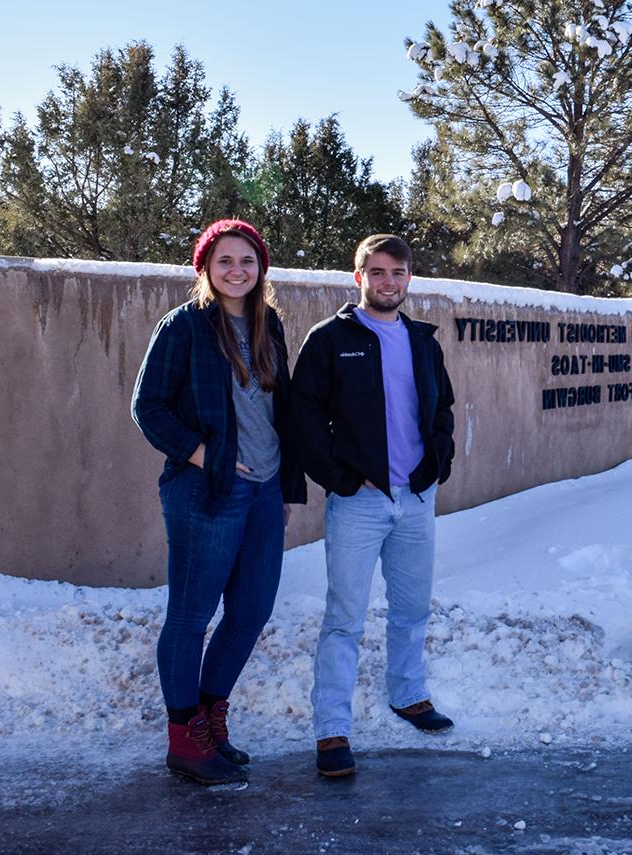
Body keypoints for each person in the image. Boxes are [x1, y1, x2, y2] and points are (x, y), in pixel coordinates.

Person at [131, 219, 305, 784]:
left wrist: (281, 487)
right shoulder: (183, 327)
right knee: (190, 614)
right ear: (205, 267)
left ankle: (210, 718)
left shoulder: (267, 324)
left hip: (264, 491)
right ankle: (184, 739)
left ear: (261, 270)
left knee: (251, 611)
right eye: (225, 260)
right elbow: (147, 406)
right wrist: (205, 457)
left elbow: (278, 413)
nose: (237, 271)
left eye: (247, 261)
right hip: (206, 491)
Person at [291, 233, 456, 778]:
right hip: (358, 503)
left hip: (416, 499)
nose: (388, 282)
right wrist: (339, 479)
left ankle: (407, 694)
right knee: (345, 619)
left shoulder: (423, 341)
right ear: (358, 276)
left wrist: (437, 464)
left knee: (412, 610)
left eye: (398, 273)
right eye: (377, 272)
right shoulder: (331, 339)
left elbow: (442, 410)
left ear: (409, 279)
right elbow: (304, 416)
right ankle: (332, 728)